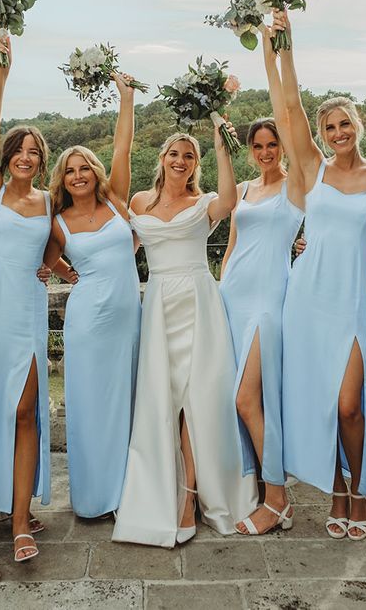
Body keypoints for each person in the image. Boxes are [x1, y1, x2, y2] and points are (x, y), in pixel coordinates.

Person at [112, 122, 258, 548]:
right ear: (162, 158)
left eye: (189, 156)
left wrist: (221, 144)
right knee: (164, 398)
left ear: (196, 164)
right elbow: (120, 246)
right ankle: (165, 488)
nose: (180, 161)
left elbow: (231, 200)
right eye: (174, 154)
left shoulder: (205, 201)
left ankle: (191, 495)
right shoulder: (140, 201)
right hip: (157, 302)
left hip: (197, 299)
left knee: (198, 399)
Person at [0, 35, 73, 562]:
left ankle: (23, 517)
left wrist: (83, 278)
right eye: (20, 150)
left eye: (36, 152)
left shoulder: (50, 201)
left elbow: (60, 256)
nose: (27, 157)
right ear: (6, 157)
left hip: (28, 313)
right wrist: (2, 72)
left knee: (27, 409)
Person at [278, 9, 366, 541]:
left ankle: (359, 494)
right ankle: (338, 491)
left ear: (359, 125)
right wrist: (285, 41)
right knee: (321, 402)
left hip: (349, 300)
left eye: (345, 124)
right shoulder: (314, 169)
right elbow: (290, 104)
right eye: (329, 128)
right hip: (306, 295)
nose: (338, 133)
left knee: (349, 405)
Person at [219, 20, 305, 535]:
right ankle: (258, 489)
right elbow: (230, 247)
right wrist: (219, 286)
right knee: (235, 400)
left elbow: (289, 112)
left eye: (273, 144)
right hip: (232, 294)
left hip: (270, 298)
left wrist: (272, 52)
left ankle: (277, 498)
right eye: (260, 146)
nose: (268, 151)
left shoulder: (295, 186)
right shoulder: (247, 190)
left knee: (248, 397)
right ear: (251, 151)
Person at [43, 73, 141, 519]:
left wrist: (126, 99)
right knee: (90, 405)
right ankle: (94, 497)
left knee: (129, 402)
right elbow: (48, 262)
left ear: (94, 172)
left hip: (128, 318)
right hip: (88, 322)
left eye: (85, 167)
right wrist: (72, 276)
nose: (79, 175)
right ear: (62, 179)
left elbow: (123, 148)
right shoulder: (58, 221)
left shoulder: (117, 201)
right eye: (71, 170)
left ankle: (128, 493)